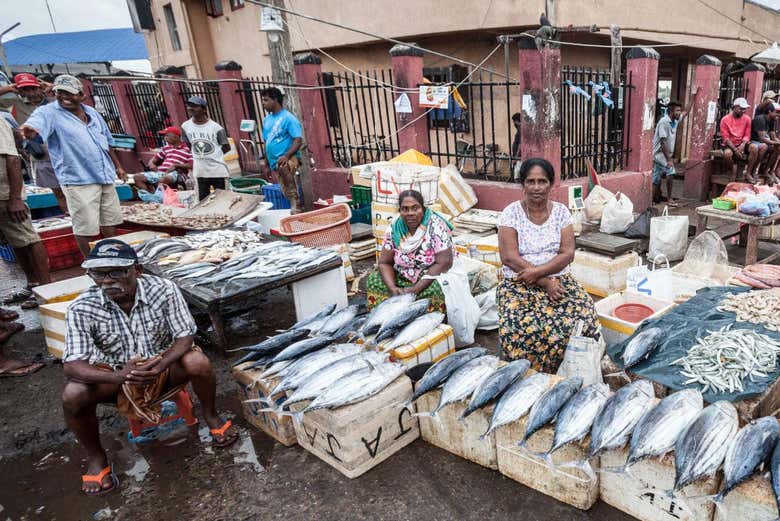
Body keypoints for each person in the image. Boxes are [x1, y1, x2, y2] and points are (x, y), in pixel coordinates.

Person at [62, 239, 238, 495]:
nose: (107, 280)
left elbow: (185, 336)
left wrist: (162, 362)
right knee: (73, 394)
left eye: (117, 272)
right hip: (116, 377)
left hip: (164, 368)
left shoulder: (164, 289)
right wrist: (120, 376)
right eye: (99, 273)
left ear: (137, 270)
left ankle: (212, 416)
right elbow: (72, 364)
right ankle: (97, 458)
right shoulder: (81, 308)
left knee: (197, 361)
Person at [497, 158, 599, 373]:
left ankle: (569, 371)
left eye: (542, 181)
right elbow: (509, 257)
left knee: (584, 314)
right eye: (530, 181)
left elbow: (567, 253)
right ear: (522, 184)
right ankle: (528, 376)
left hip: (558, 279)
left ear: (551, 184)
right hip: (518, 281)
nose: (536, 187)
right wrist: (544, 282)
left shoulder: (561, 212)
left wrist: (541, 274)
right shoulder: (510, 213)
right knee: (521, 327)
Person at [19, 75, 127, 257]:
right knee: (86, 227)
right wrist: (30, 131)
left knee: (110, 220)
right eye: (59, 92)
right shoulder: (48, 112)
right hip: (78, 179)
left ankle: (114, 256)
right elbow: (34, 126)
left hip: (104, 176)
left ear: (82, 95)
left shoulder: (92, 113)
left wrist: (118, 167)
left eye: (69, 93)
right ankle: (91, 263)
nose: (64, 97)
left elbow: (108, 142)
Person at [0, 118, 48, 375]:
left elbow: (12, 159)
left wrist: (15, 197)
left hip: (5, 195)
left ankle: (44, 289)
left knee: (27, 240)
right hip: (5, 196)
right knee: (26, 240)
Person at [367, 190, 453, 313]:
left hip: (430, 276)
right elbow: (384, 262)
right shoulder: (394, 228)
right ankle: (388, 318)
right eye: (405, 209)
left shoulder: (436, 226)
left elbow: (444, 263)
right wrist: (393, 288)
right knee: (373, 281)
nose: (410, 213)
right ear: (400, 211)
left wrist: (415, 289)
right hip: (402, 275)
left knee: (438, 290)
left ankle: (427, 321)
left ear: (423, 209)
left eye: (415, 208)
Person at [0, 73, 67, 213]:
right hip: (40, 154)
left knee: (73, 189)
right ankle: (71, 217)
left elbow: (75, 97)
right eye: (25, 89)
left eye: (33, 88)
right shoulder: (16, 102)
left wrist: (53, 87)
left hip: (65, 152)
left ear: (39, 87)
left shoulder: (54, 99)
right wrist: (8, 88)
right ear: (19, 90)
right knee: (58, 192)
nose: (30, 93)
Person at [260, 87, 303, 213]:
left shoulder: (289, 118)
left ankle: (295, 204)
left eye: (266, 100)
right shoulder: (266, 120)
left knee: (284, 167)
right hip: (274, 160)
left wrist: (287, 156)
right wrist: (267, 165)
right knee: (283, 186)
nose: (263, 103)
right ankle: (293, 204)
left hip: (290, 158)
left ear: (275, 100)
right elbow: (267, 142)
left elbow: (298, 140)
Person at [181, 96, 230, 201]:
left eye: (195, 106)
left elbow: (226, 147)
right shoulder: (185, 126)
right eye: (189, 106)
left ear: (204, 109)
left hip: (218, 170)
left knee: (222, 201)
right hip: (200, 171)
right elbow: (189, 144)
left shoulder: (216, 128)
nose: (190, 108)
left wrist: (214, 155)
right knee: (202, 202)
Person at [133, 126, 192, 192]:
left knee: (162, 179)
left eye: (167, 136)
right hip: (161, 173)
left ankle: (162, 196)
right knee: (137, 177)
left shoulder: (187, 149)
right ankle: (151, 197)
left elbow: (191, 165)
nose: (164, 138)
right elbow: (154, 160)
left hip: (177, 173)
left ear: (175, 137)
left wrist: (176, 165)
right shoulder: (166, 148)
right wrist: (151, 164)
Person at [720, 98, 760, 183]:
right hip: (730, 144)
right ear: (734, 107)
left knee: (754, 148)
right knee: (727, 154)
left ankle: (748, 172)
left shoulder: (747, 119)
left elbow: (747, 134)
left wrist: (743, 145)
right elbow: (726, 138)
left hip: (742, 144)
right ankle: (733, 170)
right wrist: (735, 149)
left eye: (744, 109)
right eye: (741, 109)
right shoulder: (725, 119)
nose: (743, 111)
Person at [652, 101, 682, 203]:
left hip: (663, 154)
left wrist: (693, 96)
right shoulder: (664, 122)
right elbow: (663, 142)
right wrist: (669, 160)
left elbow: (686, 112)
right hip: (659, 154)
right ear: (671, 111)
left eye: (680, 110)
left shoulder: (675, 121)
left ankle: (652, 199)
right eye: (677, 110)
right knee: (671, 171)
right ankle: (669, 198)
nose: (680, 112)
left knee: (656, 178)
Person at [750, 102, 780, 184]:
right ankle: (752, 171)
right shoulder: (760, 119)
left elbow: (773, 137)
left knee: (778, 148)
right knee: (764, 147)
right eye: (776, 112)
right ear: (769, 111)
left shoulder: (772, 120)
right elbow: (762, 139)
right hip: (754, 141)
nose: (778, 114)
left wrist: (777, 142)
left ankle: (767, 171)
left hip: (763, 142)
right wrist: (776, 143)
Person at [511, 112, 522, 178]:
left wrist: (516, 157)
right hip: (518, 157)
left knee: (517, 177)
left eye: (514, 121)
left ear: (517, 121)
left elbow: (520, 144)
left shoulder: (521, 129)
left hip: (519, 157)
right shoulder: (519, 130)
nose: (513, 123)